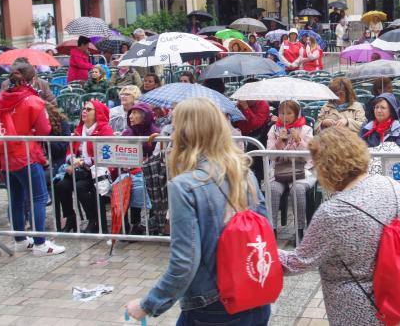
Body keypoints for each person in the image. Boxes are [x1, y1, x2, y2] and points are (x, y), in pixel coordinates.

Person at [124, 98, 268, 325]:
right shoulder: (243, 172)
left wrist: (147, 304)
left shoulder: (184, 186)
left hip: (212, 304)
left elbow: (184, 263)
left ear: (183, 134)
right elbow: (264, 229)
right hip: (254, 292)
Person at [278, 127, 400, 326]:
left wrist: (257, 245)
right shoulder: (391, 185)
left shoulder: (333, 213)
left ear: (326, 167)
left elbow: (296, 262)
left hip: (355, 311)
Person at [0, 62, 65, 255]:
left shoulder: (1, 98)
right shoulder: (32, 100)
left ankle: (20, 240)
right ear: (34, 79)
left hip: (5, 155)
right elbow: (44, 130)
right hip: (25, 155)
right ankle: (40, 243)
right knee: (39, 197)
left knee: (16, 198)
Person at [54, 99, 114, 233]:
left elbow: (105, 155)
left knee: (81, 187)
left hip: (96, 170)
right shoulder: (79, 129)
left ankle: (93, 220)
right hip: (78, 169)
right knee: (61, 185)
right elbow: (70, 149)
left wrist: (82, 162)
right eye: (84, 109)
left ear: (97, 113)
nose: (84, 111)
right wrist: (72, 160)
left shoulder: (105, 130)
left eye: (88, 109)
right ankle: (70, 219)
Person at [267, 100, 315, 240]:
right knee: (273, 190)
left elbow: (310, 156)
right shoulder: (273, 130)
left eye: (289, 113)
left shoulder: (306, 129)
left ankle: (299, 230)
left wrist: (299, 141)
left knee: (297, 190)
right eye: (282, 113)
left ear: (296, 114)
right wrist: (279, 142)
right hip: (279, 171)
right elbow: (270, 156)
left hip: (301, 171)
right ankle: (272, 229)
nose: (285, 116)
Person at [121, 102, 159, 234]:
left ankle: (137, 224)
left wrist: (145, 162)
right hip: (129, 170)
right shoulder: (127, 132)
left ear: (145, 116)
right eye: (130, 113)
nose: (131, 116)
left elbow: (157, 155)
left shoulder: (154, 132)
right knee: (122, 186)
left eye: (135, 113)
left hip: (149, 171)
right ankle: (123, 223)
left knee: (137, 187)